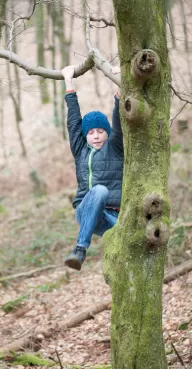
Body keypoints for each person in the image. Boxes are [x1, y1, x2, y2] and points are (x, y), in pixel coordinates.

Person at [62, 65, 124, 271]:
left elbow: (120, 117)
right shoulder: (81, 150)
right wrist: (68, 83)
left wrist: (120, 87)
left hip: (113, 216)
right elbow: (73, 122)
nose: (96, 136)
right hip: (86, 210)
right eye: (91, 133)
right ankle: (80, 249)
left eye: (100, 131)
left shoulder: (115, 148)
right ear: (85, 136)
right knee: (99, 191)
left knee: (134, 234)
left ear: (107, 133)